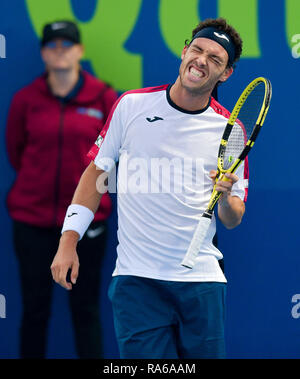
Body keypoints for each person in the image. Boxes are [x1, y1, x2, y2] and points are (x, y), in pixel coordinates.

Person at [51, 17, 247, 359]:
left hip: (202, 283)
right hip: (137, 281)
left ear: (226, 73)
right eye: (197, 50)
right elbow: (96, 175)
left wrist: (228, 195)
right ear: (184, 51)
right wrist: (69, 240)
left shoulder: (230, 130)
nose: (201, 60)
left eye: (215, 59)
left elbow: (231, 218)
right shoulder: (131, 106)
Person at [5, 20, 118, 358]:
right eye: (52, 46)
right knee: (34, 312)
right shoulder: (26, 100)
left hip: (87, 226)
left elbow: (111, 158)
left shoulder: (104, 97)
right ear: (43, 53)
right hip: (33, 223)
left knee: (85, 312)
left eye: (66, 45)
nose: (60, 52)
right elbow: (15, 150)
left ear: (80, 51)